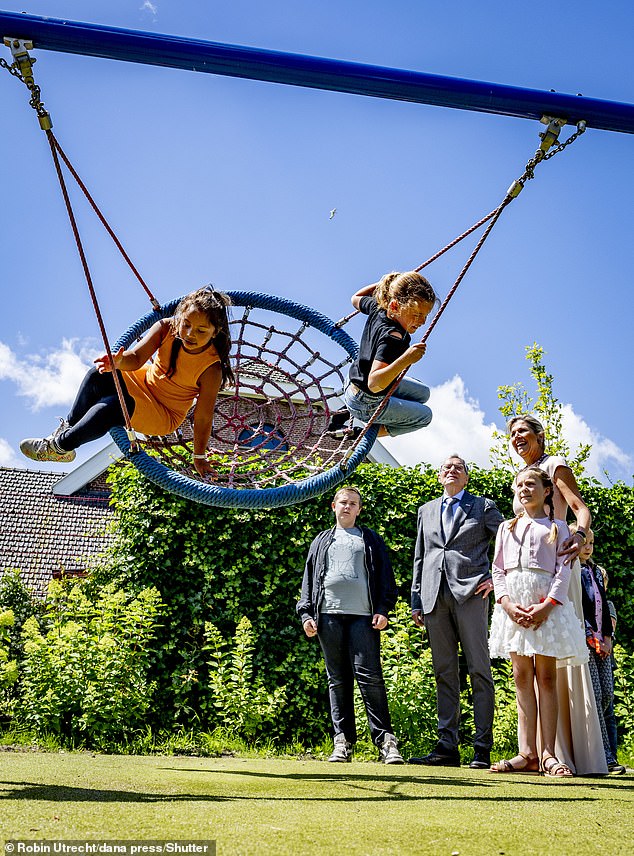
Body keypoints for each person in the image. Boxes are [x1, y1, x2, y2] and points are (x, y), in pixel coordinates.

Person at [20, 287, 234, 477]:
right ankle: (68, 429)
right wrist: (120, 361)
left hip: (163, 411)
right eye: (186, 324)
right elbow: (137, 359)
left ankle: (59, 446)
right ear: (179, 318)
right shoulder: (165, 328)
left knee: (112, 408)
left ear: (216, 332)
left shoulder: (211, 368)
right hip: (142, 381)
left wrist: (199, 456)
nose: (189, 333)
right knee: (98, 374)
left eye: (201, 331)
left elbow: (203, 416)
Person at [507, 414, 607, 775]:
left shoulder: (555, 466)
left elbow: (581, 511)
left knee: (555, 667)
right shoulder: (523, 480)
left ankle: (563, 750)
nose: (517, 438)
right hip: (524, 581)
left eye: (523, 432)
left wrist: (578, 539)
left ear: (539, 435)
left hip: (558, 571)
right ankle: (532, 751)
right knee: (524, 670)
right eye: (512, 434)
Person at [488, 467, 587, 777]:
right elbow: (498, 570)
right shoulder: (506, 528)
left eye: (531, 484)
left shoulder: (560, 528)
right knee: (520, 676)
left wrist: (547, 606)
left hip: (546, 608)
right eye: (519, 484)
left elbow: (564, 570)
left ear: (547, 491)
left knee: (546, 678)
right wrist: (505, 603)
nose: (524, 489)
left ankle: (547, 754)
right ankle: (526, 752)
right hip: (514, 608)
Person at [297, 486, 404, 764]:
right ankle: (342, 742)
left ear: (359, 509)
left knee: (370, 677)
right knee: (338, 679)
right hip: (328, 616)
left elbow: (386, 580)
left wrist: (382, 609)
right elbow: (308, 581)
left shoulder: (370, 539)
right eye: (343, 502)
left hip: (363, 617)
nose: (347, 507)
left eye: (353, 503)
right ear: (334, 506)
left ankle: (386, 743)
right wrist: (306, 614)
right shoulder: (321, 541)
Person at [410, 455, 503, 769]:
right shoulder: (426, 510)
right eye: (446, 467)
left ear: (466, 478)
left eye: (458, 468)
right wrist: (416, 600)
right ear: (440, 476)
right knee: (444, 672)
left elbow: (506, 540)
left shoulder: (483, 506)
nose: (451, 470)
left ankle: (482, 748)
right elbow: (420, 557)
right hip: (434, 597)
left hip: (472, 595)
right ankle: (447, 747)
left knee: (479, 670)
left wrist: (496, 577)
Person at [339, 271, 438, 438]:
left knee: (423, 393)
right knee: (425, 416)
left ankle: (348, 409)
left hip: (352, 381)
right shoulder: (394, 339)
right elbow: (374, 383)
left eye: (425, 316)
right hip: (365, 403)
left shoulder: (377, 307)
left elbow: (355, 298)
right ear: (394, 306)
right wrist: (406, 359)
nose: (422, 322)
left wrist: (388, 283)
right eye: (417, 315)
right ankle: (361, 434)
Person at [577, 528, 626, 774]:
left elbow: (604, 610)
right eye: (584, 542)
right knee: (594, 698)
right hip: (583, 643)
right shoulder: (572, 570)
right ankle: (605, 757)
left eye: (592, 543)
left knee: (606, 694)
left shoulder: (596, 571)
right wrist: (587, 635)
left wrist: (606, 638)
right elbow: (577, 607)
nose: (588, 547)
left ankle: (607, 753)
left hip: (602, 645)